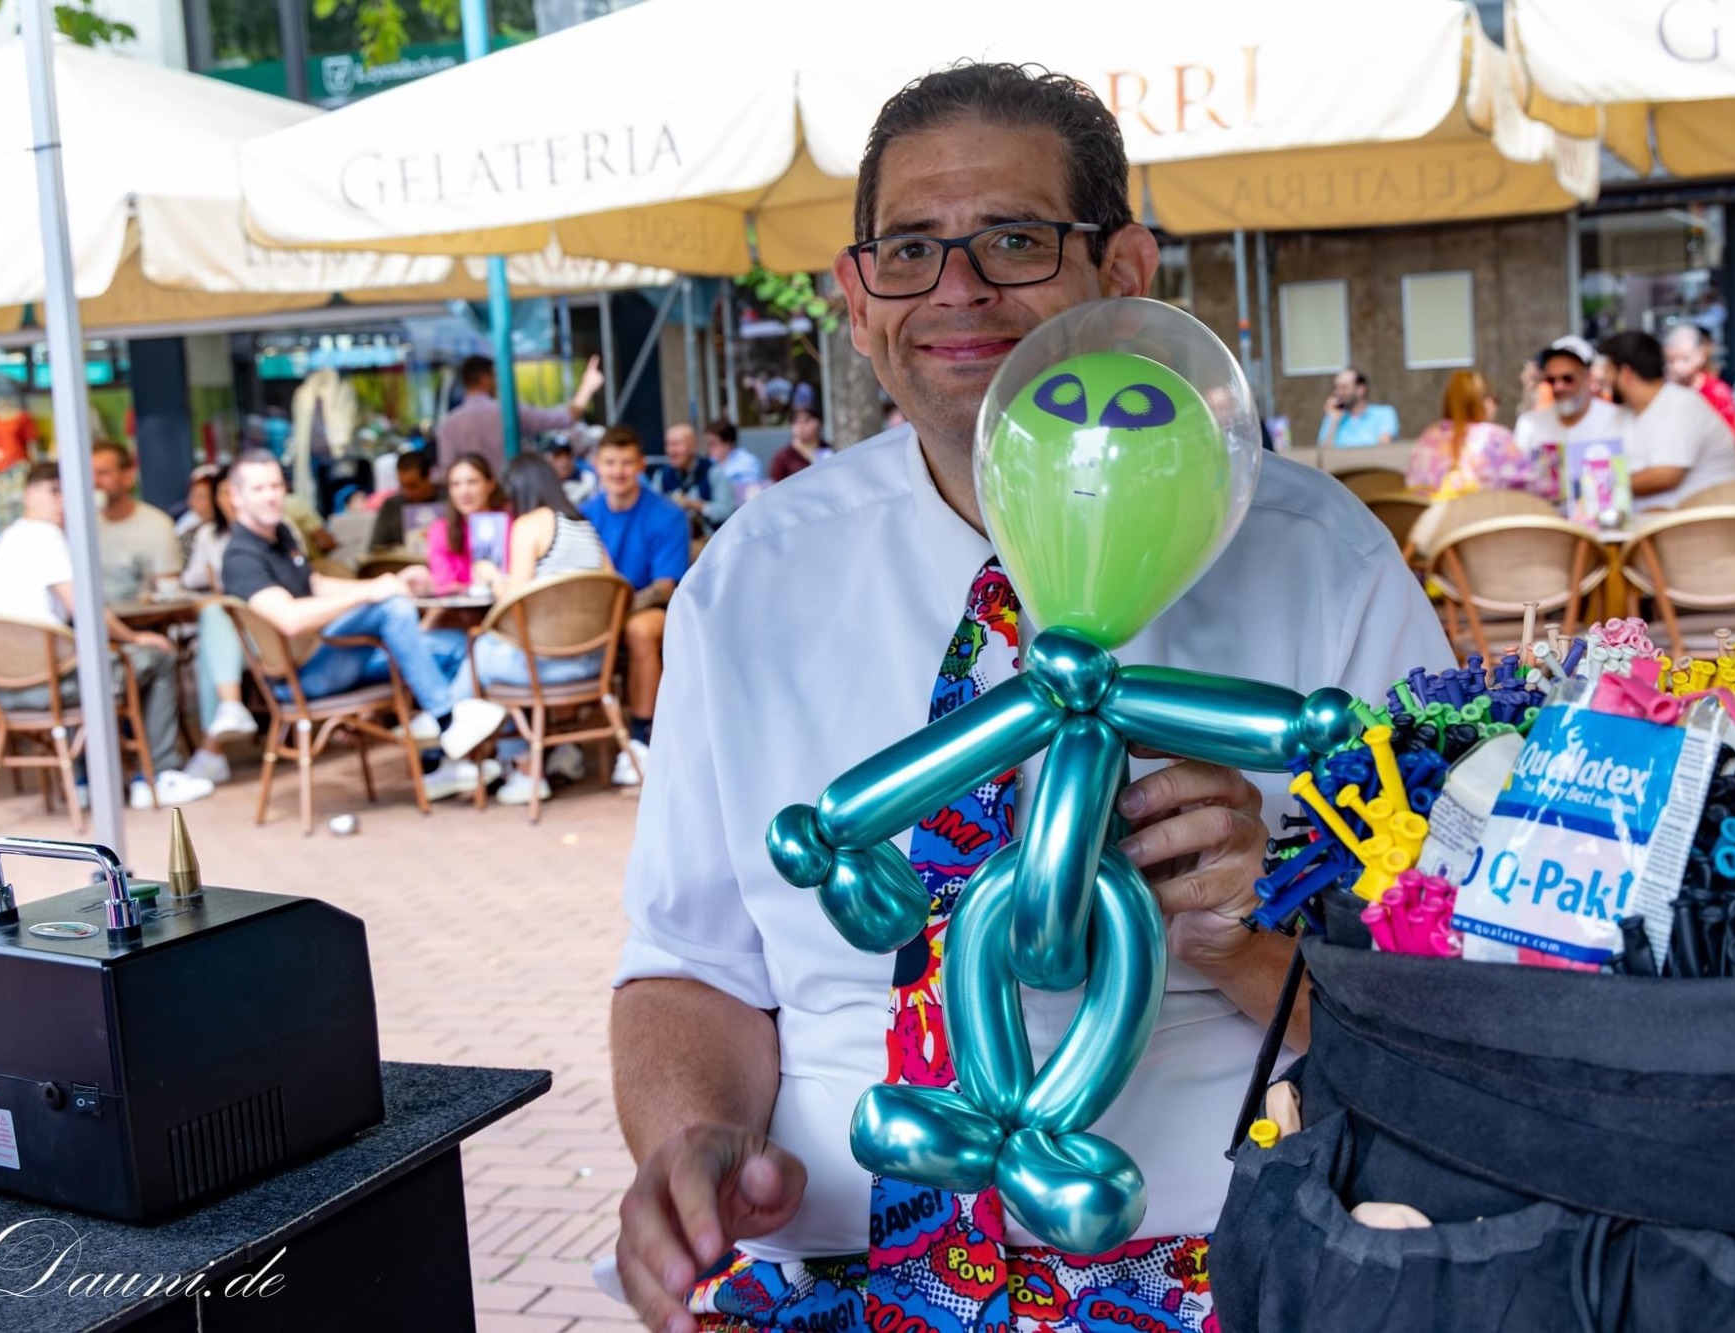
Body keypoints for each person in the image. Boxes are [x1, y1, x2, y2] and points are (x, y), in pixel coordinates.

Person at [607, 62, 1448, 1333]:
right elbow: (688, 966)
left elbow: (1461, 1005)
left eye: (1013, 239)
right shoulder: (752, 578)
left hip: (1212, 1257)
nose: (956, 290)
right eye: (908, 250)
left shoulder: (1319, 559)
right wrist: (692, 1141)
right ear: (855, 301)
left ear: (1124, 271)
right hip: (823, 1264)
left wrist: (1250, 938)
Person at [221, 450, 506, 801]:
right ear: (236, 496)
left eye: (277, 486)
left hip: (333, 655)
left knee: (456, 647)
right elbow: (290, 619)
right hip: (302, 675)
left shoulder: (280, 533)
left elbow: (315, 584)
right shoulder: (241, 557)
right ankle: (448, 722)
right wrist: (373, 592)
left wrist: (390, 582)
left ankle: (437, 763)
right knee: (392, 609)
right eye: (259, 488)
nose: (271, 495)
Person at [0, 463, 213, 808]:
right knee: (157, 657)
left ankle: (85, 782)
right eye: (53, 491)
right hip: (49, 686)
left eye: (66, 492)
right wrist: (134, 638)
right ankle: (158, 776)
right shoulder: (46, 537)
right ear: (28, 495)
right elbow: (86, 610)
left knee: (84, 662)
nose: (62, 501)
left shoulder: (10, 538)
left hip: (4, 688)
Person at [451, 452, 614, 807]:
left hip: (545, 667)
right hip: (593, 664)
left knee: (479, 654)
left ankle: (499, 758)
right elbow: (613, 585)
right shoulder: (584, 527)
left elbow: (513, 598)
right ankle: (479, 740)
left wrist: (492, 577)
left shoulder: (528, 526)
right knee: (489, 652)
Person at [579, 426, 689, 784]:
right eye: (610, 462)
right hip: (593, 610)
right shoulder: (582, 515)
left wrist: (617, 614)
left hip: (649, 609)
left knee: (639, 631)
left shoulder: (666, 514)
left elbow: (665, 586)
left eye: (627, 463)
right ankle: (567, 744)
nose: (618, 471)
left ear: (641, 465)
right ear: (597, 464)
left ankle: (642, 737)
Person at [176, 462, 260, 787]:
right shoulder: (209, 535)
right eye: (224, 492)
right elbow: (191, 579)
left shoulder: (275, 530)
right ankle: (229, 708)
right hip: (233, 631)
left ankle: (212, 750)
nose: (231, 499)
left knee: (213, 631)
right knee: (213, 628)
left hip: (269, 631)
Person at [1595, 331, 1735, 512]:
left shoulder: (1680, 404)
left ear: (1625, 374)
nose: (1603, 378)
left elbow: (1665, 476)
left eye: (1608, 370)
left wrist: (1602, 484)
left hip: (1710, 520)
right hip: (1657, 522)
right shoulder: (1624, 415)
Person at [436, 354, 606, 476]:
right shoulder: (509, 411)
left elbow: (446, 471)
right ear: (485, 378)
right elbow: (566, 417)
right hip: (513, 496)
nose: (498, 382)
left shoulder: (448, 424)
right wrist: (588, 386)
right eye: (495, 376)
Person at [1514, 341, 1635, 500]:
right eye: (1551, 380)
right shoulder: (1529, 424)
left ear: (1588, 378)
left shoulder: (1619, 419)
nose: (1559, 387)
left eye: (1568, 379)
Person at [1405, 370, 1551, 501]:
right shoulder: (1495, 437)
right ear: (1486, 402)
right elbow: (1535, 487)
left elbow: (1412, 488)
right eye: (1495, 401)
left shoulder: (1428, 437)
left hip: (1432, 521)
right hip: (1482, 521)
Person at [92, 442, 183, 606]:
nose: (94, 481)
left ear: (128, 477)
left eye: (103, 473)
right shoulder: (82, 526)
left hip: (141, 618)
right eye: (90, 473)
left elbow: (169, 590)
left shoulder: (158, 525)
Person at [427, 454, 507, 595]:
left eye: (472, 482)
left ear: (490, 484)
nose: (464, 491)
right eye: (455, 484)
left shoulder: (509, 523)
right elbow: (444, 585)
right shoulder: (441, 530)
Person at [1663, 324, 1735, 444]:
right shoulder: (1661, 391)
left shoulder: (1717, 392)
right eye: (1671, 361)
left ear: (1701, 355)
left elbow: (1730, 439)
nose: (1678, 367)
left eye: (1685, 359)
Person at [654, 423, 736, 532]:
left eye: (677, 444)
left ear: (693, 447)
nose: (671, 451)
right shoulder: (661, 476)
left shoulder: (712, 472)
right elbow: (652, 512)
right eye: (668, 444)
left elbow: (727, 511)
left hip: (709, 538)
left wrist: (696, 505)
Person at [370, 451, 445, 551]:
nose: (407, 492)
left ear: (428, 476)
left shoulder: (449, 501)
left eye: (413, 486)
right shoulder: (391, 507)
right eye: (403, 485)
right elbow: (376, 549)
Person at [1316, 367, 1399, 447]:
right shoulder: (1332, 417)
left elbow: (1384, 446)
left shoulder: (1384, 413)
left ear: (1360, 389)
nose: (1338, 393)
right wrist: (1334, 421)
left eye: (1343, 388)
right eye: (1336, 388)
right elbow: (1324, 453)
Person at [768, 403, 832, 482]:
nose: (801, 426)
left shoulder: (828, 449)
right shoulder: (783, 457)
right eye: (796, 421)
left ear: (819, 422)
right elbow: (775, 483)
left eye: (806, 421)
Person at [704, 418, 763, 500]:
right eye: (708, 444)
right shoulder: (709, 463)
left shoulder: (747, 463)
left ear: (728, 442)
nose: (709, 449)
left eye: (713, 444)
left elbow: (749, 492)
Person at [546, 439, 600, 507]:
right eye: (558, 456)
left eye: (567, 455)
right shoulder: (544, 483)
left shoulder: (588, 479)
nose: (564, 461)